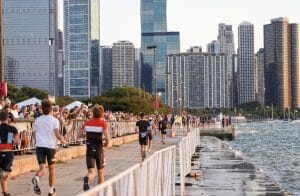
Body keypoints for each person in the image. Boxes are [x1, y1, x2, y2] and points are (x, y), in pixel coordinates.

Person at [31, 100, 66, 196]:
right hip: (50, 147)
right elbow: (57, 134)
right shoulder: (55, 120)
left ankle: (37, 178)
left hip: (39, 146)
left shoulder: (37, 120)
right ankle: (51, 191)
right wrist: (63, 140)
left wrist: (38, 141)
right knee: (51, 169)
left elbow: (34, 134)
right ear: (51, 109)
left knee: (42, 168)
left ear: (42, 109)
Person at [82, 105, 111, 191]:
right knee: (101, 173)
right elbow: (108, 138)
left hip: (89, 149)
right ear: (102, 114)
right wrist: (106, 145)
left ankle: (87, 179)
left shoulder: (87, 123)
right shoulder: (102, 123)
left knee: (91, 172)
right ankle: (100, 192)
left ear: (93, 113)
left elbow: (79, 134)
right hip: (99, 150)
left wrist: (88, 135)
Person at [0, 110, 20, 196]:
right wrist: (13, 142)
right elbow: (18, 141)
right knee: (5, 173)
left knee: (2, 174)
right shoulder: (12, 129)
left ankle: (4, 192)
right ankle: (4, 191)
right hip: (8, 153)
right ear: (8, 118)